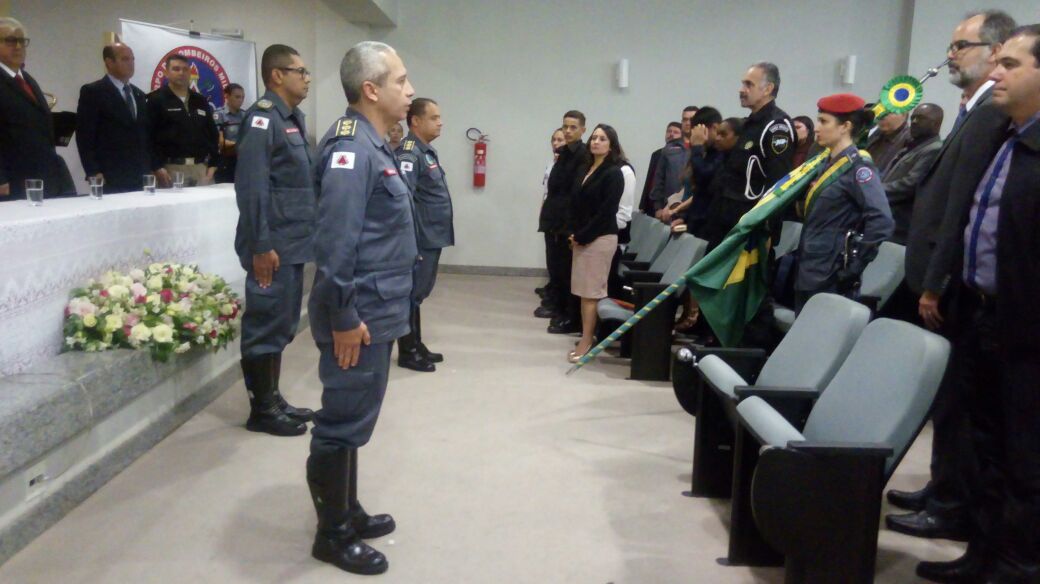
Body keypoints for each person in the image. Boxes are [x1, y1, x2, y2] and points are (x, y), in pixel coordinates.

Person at [914, 25, 1040, 583]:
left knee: (1024, 461)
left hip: (1026, 333)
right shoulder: (1007, 139)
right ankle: (982, 555)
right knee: (985, 447)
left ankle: (1016, 566)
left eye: (1010, 64)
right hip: (983, 316)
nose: (995, 72)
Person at [886, 9, 1017, 544]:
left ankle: (951, 501)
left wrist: (936, 280)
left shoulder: (990, 114)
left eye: (961, 45)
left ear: (994, 50)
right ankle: (942, 484)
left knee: (960, 401)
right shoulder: (975, 108)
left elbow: (962, 203)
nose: (950, 55)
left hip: (953, 283)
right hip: (936, 273)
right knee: (947, 396)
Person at [306, 40, 414, 576]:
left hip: (378, 308)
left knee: (357, 417)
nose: (409, 90)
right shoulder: (352, 149)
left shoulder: (375, 143)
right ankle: (332, 535)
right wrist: (344, 318)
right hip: (359, 316)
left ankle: (345, 509)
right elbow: (334, 246)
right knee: (341, 422)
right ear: (371, 90)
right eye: (400, 80)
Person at [233, 44, 316, 437]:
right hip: (272, 245)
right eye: (299, 71)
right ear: (276, 75)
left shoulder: (292, 118)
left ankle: (274, 397)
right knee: (265, 321)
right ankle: (261, 409)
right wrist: (260, 245)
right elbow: (252, 189)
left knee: (282, 321)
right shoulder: (263, 120)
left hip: (293, 241)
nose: (307, 78)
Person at [792, 94, 893, 312]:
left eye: (823, 121)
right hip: (810, 267)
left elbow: (882, 221)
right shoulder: (825, 164)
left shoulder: (858, 168)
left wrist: (854, 266)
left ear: (845, 126)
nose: (816, 128)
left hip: (831, 274)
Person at [701, 62, 795, 251]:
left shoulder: (777, 127)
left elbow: (777, 184)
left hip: (748, 229)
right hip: (726, 221)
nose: (741, 90)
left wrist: (763, 227)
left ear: (768, 89)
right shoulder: (747, 125)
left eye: (748, 84)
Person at [394, 98, 453, 372]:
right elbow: (404, 199)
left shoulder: (426, 151)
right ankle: (408, 351)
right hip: (420, 238)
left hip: (431, 236)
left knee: (418, 293)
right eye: (434, 117)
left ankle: (416, 343)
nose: (440, 122)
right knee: (411, 293)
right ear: (415, 121)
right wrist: (411, 241)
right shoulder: (409, 153)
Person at [568, 124, 625, 362]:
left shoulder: (613, 172)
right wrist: (575, 233)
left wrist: (582, 236)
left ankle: (587, 341)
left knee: (591, 293)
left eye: (602, 138)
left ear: (611, 144)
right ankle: (586, 336)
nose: (596, 142)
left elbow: (605, 212)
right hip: (583, 235)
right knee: (584, 292)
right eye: (593, 138)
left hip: (600, 237)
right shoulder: (587, 168)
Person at [0, 17, 74, 199]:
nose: (18, 46)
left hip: (43, 177)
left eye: (22, 41)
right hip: (12, 180)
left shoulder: (28, 80)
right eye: (10, 40)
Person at [75, 43, 160, 194]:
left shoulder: (139, 94)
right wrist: (93, 171)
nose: (131, 63)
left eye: (132, 59)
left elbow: (146, 136)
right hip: (110, 175)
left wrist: (153, 167)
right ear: (109, 62)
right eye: (125, 59)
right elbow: (85, 137)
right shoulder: (93, 92)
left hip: (141, 175)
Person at [539, 110, 587, 334]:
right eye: (565, 126)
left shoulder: (582, 155)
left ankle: (570, 315)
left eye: (573, 127)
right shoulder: (563, 153)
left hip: (567, 221)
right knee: (555, 268)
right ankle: (558, 308)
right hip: (554, 219)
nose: (568, 131)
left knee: (567, 270)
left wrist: (571, 225)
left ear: (582, 130)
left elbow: (574, 192)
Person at [146, 53, 219, 187]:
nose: (181, 73)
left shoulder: (200, 100)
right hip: (170, 169)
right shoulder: (156, 100)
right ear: (166, 73)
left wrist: (213, 165)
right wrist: (156, 167)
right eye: (176, 69)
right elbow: (147, 138)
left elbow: (213, 135)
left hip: (201, 169)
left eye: (185, 69)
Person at [881, 103, 943, 245]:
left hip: (900, 224)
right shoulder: (913, 145)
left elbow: (910, 184)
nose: (914, 122)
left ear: (936, 123)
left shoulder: (933, 150)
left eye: (921, 118)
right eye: (913, 118)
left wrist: (875, 191)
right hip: (887, 217)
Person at [661, 107, 724, 236]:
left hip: (710, 225)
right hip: (695, 221)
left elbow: (705, 177)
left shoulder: (722, 153)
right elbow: (699, 192)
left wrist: (697, 147)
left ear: (714, 128)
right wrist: (685, 218)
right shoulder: (707, 153)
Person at [536, 128, 566, 311]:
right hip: (549, 215)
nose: (556, 143)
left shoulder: (565, 166)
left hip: (560, 219)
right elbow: (547, 192)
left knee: (558, 259)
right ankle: (552, 287)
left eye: (560, 140)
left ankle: (557, 295)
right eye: (553, 140)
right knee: (550, 254)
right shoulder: (551, 163)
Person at [649, 107, 696, 215]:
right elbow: (659, 179)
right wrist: (658, 207)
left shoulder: (705, 147)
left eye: (692, 119)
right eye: (684, 120)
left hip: (693, 208)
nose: (688, 123)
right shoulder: (669, 148)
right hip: (669, 207)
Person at [638, 121, 681, 214]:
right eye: (669, 131)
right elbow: (650, 180)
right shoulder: (657, 154)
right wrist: (642, 205)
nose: (671, 134)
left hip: (668, 203)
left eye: (676, 132)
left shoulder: (681, 155)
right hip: (652, 202)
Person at [214, 83, 246, 183]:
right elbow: (219, 142)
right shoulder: (219, 115)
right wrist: (240, 145)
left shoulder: (245, 115)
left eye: (242, 97)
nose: (240, 100)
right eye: (237, 97)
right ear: (227, 96)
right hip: (226, 162)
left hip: (243, 161)